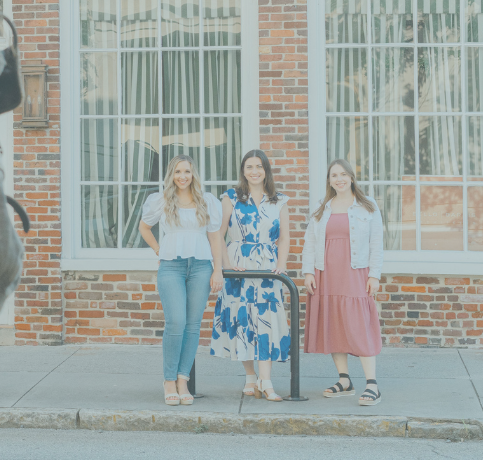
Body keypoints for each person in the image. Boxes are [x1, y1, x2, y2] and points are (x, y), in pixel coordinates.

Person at [138, 155, 225, 407]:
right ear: (171, 175)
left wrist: (217, 269)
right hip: (171, 266)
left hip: (201, 266)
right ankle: (168, 381)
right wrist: (158, 249)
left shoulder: (207, 201)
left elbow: (215, 238)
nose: (183, 176)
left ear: (193, 174)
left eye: (187, 171)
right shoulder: (162, 200)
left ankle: (182, 380)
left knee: (193, 325)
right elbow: (144, 228)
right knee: (176, 322)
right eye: (178, 172)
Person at [210, 149, 291, 401]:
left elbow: (286, 237)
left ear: (266, 170)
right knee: (241, 319)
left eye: (259, 166)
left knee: (266, 320)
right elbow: (218, 233)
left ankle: (266, 381)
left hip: (267, 266)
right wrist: (227, 266)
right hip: (238, 263)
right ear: (243, 171)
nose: (254, 171)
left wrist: (281, 264)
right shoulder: (231, 198)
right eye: (249, 167)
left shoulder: (279, 200)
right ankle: (249, 376)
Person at [303, 159, 385, 406]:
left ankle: (372, 384)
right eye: (333, 175)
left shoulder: (367, 206)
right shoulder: (322, 208)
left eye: (342, 174)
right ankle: (344, 380)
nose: (338, 179)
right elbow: (310, 242)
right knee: (334, 322)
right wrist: (308, 272)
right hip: (326, 273)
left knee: (359, 323)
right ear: (329, 181)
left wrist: (374, 275)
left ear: (351, 177)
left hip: (355, 272)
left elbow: (376, 243)